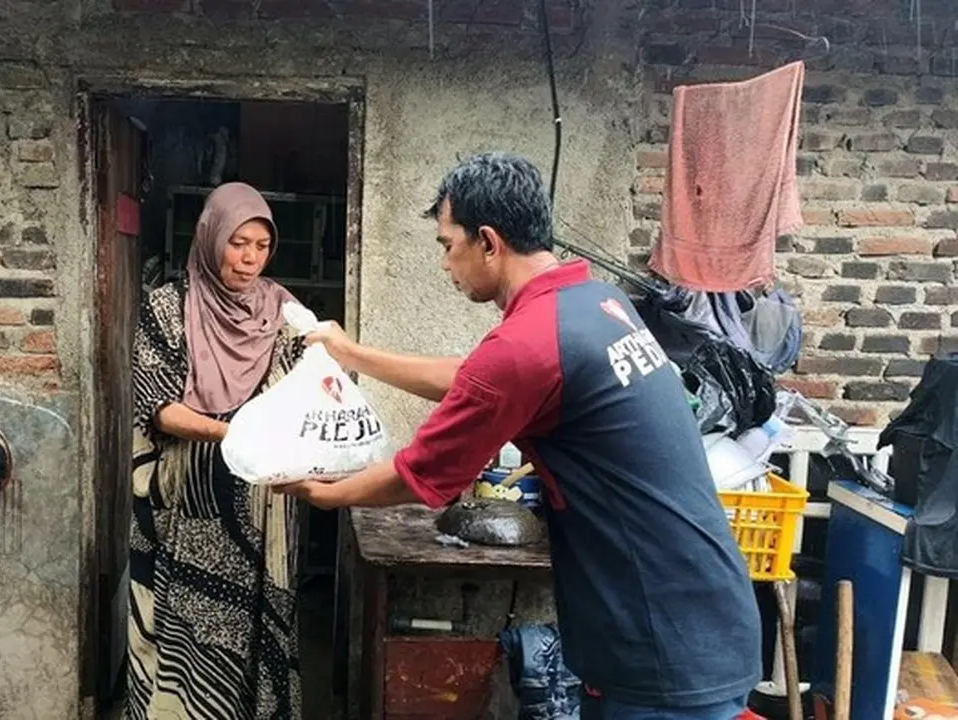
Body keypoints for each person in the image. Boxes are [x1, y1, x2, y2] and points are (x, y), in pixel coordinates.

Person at [279, 153, 763, 719]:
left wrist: (323, 492)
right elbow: (476, 382)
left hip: (656, 641)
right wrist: (351, 353)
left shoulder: (526, 344)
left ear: (488, 241)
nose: (445, 265)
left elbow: (422, 475)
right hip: (705, 616)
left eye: (446, 244)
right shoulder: (594, 304)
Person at [127, 182, 305, 719]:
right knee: (180, 630)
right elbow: (157, 406)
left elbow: (314, 397)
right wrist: (234, 435)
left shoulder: (286, 313)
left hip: (261, 507)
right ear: (210, 238)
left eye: (261, 246)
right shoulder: (168, 306)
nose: (250, 259)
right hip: (183, 507)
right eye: (238, 242)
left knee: (254, 629)